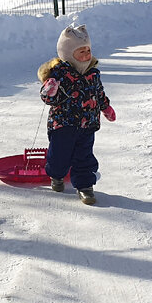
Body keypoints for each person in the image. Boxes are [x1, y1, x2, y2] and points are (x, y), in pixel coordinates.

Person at [38, 24, 115, 205]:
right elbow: (48, 98)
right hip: (63, 125)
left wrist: (106, 108)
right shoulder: (59, 74)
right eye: (81, 51)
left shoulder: (93, 73)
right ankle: (56, 175)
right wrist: (50, 90)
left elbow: (99, 93)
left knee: (84, 157)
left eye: (88, 50)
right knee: (59, 158)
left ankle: (85, 187)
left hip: (87, 124)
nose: (87, 55)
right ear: (68, 54)